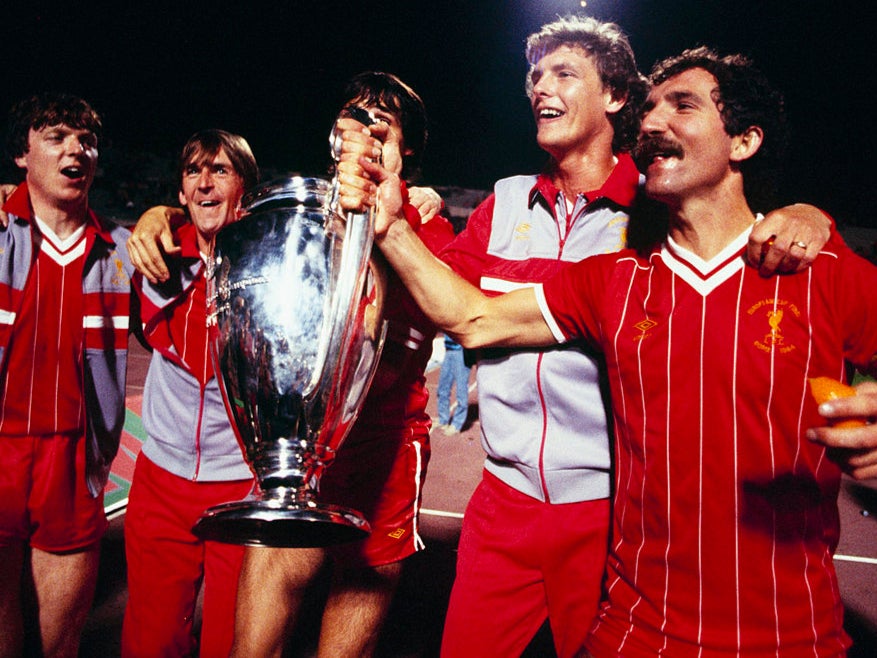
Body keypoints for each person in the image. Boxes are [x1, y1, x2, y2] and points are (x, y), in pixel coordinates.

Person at [346, 44, 877, 656]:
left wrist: (812, 216)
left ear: (744, 142)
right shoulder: (614, 278)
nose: (652, 123)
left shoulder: (817, 267)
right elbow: (473, 315)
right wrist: (391, 223)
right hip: (630, 627)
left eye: (682, 105)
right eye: (651, 109)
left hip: (789, 635)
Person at [0, 93, 132, 658]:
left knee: (61, 646)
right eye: (56, 136)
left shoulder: (122, 253)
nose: (77, 149)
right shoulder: (3, 235)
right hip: (0, 457)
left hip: (74, 464)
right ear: (22, 156)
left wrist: (157, 215)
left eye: (87, 140)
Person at [120, 130, 259, 657]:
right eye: (193, 172)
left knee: (232, 640)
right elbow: (59, 218)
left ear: (245, 184)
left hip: (242, 484)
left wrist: (421, 196)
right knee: (150, 640)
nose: (205, 183)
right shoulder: (149, 254)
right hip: (161, 481)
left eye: (220, 170)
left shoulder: (273, 263)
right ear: (179, 191)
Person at [435, 334, 471, 434]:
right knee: (442, 388)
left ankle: (457, 424)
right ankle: (443, 420)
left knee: (461, 390)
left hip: (462, 351)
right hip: (449, 349)